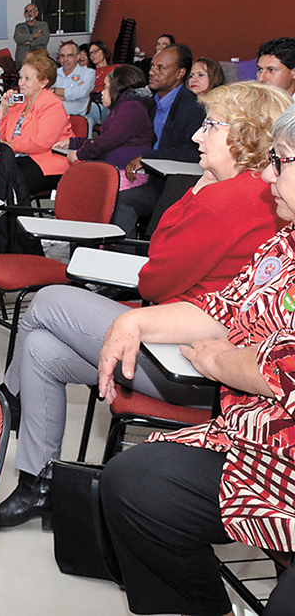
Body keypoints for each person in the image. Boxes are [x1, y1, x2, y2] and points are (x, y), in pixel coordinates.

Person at [0, 82, 290, 530]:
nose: (197, 135)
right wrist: (198, 190)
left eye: (210, 126)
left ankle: (9, 403)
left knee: (48, 302)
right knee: (39, 349)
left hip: (192, 362)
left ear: (243, 136)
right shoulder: (249, 192)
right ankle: (40, 484)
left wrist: (195, 193)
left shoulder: (229, 200)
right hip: (185, 342)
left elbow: (154, 278)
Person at [98, 99, 295, 616]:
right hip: (263, 449)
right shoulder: (285, 243)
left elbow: (281, 373)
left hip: (284, 459)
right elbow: (222, 307)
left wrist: (221, 362)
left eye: (283, 160)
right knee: (133, 483)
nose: (269, 173)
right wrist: (134, 321)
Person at [114, 43, 206, 235]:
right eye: (152, 67)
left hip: (173, 184)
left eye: (161, 68)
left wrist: (148, 157)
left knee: (123, 201)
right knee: (107, 195)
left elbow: (192, 152)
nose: (152, 72)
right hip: (145, 177)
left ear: (180, 73)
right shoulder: (148, 103)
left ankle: (144, 255)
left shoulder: (192, 107)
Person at [0, 48, 73, 195]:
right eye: (20, 78)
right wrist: (3, 110)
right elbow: (1, 136)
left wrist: (10, 146)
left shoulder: (52, 104)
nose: (21, 83)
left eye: (27, 79)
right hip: (19, 157)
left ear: (43, 82)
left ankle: (17, 216)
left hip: (49, 160)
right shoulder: (18, 102)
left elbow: (42, 143)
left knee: (12, 181)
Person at [64, 65, 155, 179]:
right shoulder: (125, 107)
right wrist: (74, 143)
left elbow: (108, 140)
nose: (102, 92)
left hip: (124, 174)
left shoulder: (131, 108)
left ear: (116, 88)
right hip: (115, 170)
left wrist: (80, 154)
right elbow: (104, 139)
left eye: (106, 87)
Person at [54, 40, 96, 118]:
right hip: (54, 116)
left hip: (77, 117)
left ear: (77, 57)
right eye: (62, 56)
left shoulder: (88, 73)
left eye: (70, 55)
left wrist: (54, 91)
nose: (65, 59)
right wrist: (72, 95)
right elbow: (45, 94)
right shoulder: (54, 73)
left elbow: (82, 92)